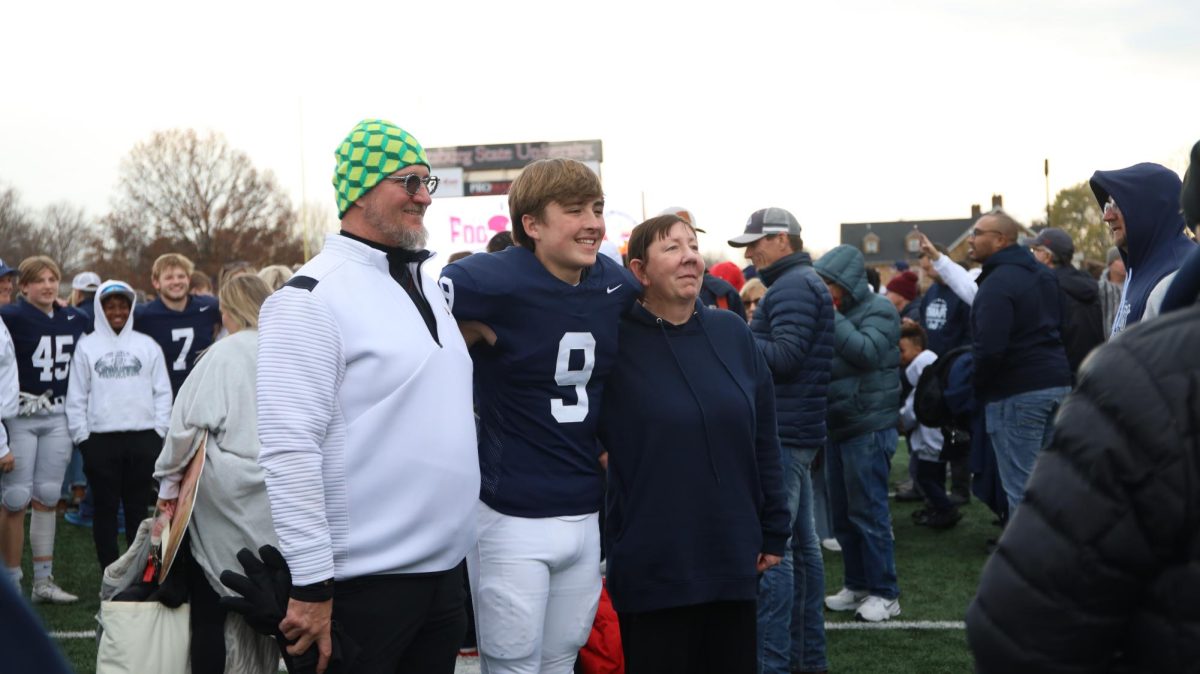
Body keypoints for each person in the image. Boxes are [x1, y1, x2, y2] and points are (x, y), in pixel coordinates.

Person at [257, 118, 478, 674]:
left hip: (442, 575)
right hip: (360, 586)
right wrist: (310, 582)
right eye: (409, 181)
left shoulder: (426, 283)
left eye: (429, 182)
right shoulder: (309, 297)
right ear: (359, 188)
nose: (424, 197)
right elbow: (288, 447)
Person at [439, 157, 639, 674]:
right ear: (532, 225)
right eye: (574, 210)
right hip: (511, 514)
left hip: (583, 507)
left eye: (596, 208)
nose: (593, 221)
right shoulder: (490, 281)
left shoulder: (612, 285)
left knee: (562, 660)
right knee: (512, 664)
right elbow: (423, 325)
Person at [965, 283, 1200, 672]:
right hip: (1061, 383)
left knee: (1022, 484)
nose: (1108, 217)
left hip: (1038, 388)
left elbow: (1023, 629)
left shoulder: (1149, 370)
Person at [598, 214, 788, 673]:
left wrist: (774, 524)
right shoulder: (612, 339)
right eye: (672, 248)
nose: (689, 257)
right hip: (654, 560)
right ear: (639, 271)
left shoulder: (732, 332)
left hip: (730, 552)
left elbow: (764, 434)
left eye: (692, 246)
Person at [155, 273, 278, 674]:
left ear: (228, 310)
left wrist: (168, 481)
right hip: (280, 493)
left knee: (210, 609)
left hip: (221, 501)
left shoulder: (221, 355)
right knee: (280, 606)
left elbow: (185, 429)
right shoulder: (290, 350)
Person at [728, 207, 832, 670]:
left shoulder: (791, 285)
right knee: (803, 549)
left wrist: (735, 338)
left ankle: (774, 664)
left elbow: (785, 357)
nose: (749, 253)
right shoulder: (799, 282)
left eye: (756, 242)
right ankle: (805, 660)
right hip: (797, 427)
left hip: (787, 431)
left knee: (777, 553)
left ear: (783, 241)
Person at [813, 244, 902, 623]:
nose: (824, 291)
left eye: (828, 284)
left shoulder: (880, 309)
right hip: (840, 425)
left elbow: (866, 352)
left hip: (868, 426)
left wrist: (831, 318)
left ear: (845, 283)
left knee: (869, 513)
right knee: (844, 515)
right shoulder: (842, 312)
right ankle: (857, 585)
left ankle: (886, 593)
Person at [967, 209, 1070, 514]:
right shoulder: (1044, 275)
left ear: (1000, 240)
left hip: (1017, 392)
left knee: (1023, 494)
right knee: (1051, 487)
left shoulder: (997, 283)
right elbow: (1060, 326)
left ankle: (1029, 562)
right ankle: (1058, 559)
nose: (971, 240)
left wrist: (977, 389)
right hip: (1057, 385)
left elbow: (989, 350)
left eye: (977, 233)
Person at [64, 280, 171, 571]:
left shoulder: (147, 345)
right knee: (105, 510)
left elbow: (162, 392)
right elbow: (76, 397)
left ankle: (145, 573)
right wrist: (83, 440)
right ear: (100, 309)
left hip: (142, 439)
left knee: (141, 511)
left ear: (131, 307)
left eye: (123, 305)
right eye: (110, 306)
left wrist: (158, 433)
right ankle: (110, 574)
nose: (117, 311)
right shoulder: (87, 346)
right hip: (100, 441)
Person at [0, 256, 88, 603]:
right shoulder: (10, 315)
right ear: (24, 287)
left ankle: (43, 581)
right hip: (21, 414)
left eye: (54, 279)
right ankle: (11, 583)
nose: (49, 285)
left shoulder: (75, 317)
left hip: (58, 415)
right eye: (40, 280)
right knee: (15, 498)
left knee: (49, 495)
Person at [1091, 162, 1194, 335]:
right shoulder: (1140, 269)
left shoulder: (1176, 276)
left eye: (1117, 204)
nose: (1106, 217)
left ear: (1148, 208)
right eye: (1107, 206)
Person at [898, 323, 959, 529]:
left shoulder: (924, 381)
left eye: (902, 351)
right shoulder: (935, 375)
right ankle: (937, 508)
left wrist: (900, 422)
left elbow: (912, 411)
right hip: (936, 440)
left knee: (925, 478)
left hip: (929, 441)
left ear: (917, 349)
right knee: (937, 478)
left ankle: (945, 509)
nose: (901, 357)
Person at [135, 253, 222, 397]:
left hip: (202, 393)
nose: (176, 282)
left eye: (181, 276)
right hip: (163, 396)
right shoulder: (143, 315)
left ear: (189, 279)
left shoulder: (209, 307)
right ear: (156, 282)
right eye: (169, 277)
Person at [1025, 228, 1104, 375]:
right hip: (1093, 369)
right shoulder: (1088, 283)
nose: (1032, 255)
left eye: (1035, 250)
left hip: (1061, 374)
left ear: (1047, 256)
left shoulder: (1048, 288)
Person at [1098, 247, 1125, 338]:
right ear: (1110, 264)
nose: (1124, 262)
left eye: (1125, 258)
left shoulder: (1133, 287)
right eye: (1119, 259)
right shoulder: (1099, 288)